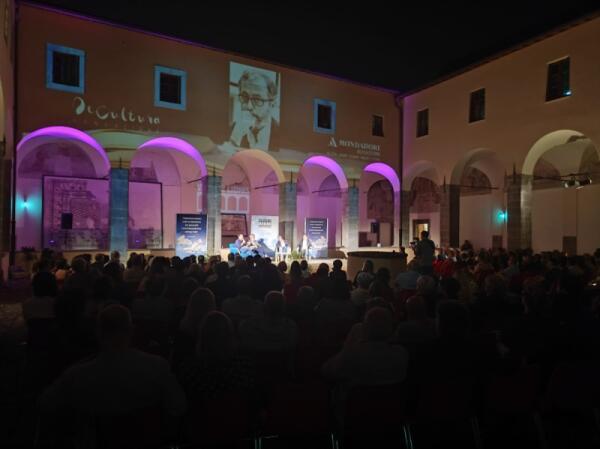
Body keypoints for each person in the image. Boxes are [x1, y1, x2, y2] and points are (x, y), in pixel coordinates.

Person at [39, 305, 186, 416]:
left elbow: (45, 404)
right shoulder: (158, 367)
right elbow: (178, 406)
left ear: (98, 332)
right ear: (131, 330)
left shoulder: (76, 375)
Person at [229, 69, 280, 152]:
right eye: (244, 97)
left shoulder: (281, 134)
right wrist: (232, 144)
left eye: (257, 99)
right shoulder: (232, 129)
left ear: (272, 104)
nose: (249, 106)